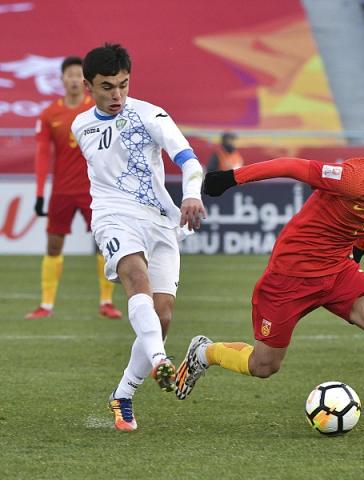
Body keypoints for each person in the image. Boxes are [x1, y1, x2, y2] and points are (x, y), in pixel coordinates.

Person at [176, 128, 364, 436]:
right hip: (290, 275)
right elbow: (290, 166)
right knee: (264, 365)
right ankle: (205, 353)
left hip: (338, 269)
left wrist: (357, 255)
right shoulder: (354, 178)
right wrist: (229, 179)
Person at [70, 43, 206, 432]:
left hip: (160, 221)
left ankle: (123, 394)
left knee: (162, 315)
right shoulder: (80, 126)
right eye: (107, 87)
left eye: (124, 85)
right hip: (112, 216)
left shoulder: (150, 115)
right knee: (135, 276)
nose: (117, 95)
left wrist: (191, 195)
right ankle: (161, 360)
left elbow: (188, 159)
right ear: (88, 86)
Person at [25, 56, 122, 321]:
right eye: (69, 75)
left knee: (105, 245)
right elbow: (42, 154)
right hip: (62, 191)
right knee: (53, 244)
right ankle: (46, 305)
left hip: (95, 190)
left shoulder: (98, 109)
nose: (74, 80)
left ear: (86, 80)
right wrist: (40, 193)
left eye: (79, 75)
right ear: (62, 79)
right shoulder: (49, 114)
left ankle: (106, 302)